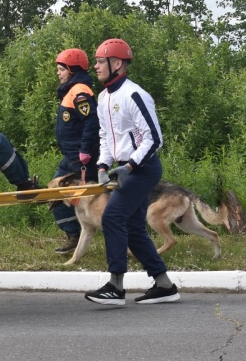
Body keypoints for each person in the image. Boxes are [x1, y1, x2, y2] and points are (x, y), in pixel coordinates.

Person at [84, 38, 180, 306]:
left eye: (101, 61)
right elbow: (105, 137)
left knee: (112, 217)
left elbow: (154, 138)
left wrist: (129, 167)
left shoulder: (135, 95)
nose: (96, 65)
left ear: (117, 64)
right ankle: (164, 284)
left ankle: (115, 286)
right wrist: (102, 166)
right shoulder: (103, 97)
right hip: (121, 169)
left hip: (143, 168)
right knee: (132, 226)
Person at [49, 49, 99, 254]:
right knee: (54, 193)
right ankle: (74, 235)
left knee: (95, 202)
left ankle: (125, 239)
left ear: (71, 70)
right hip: (70, 157)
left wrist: (85, 151)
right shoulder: (71, 90)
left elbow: (91, 123)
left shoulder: (80, 91)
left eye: (61, 69)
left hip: (81, 159)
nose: (58, 73)